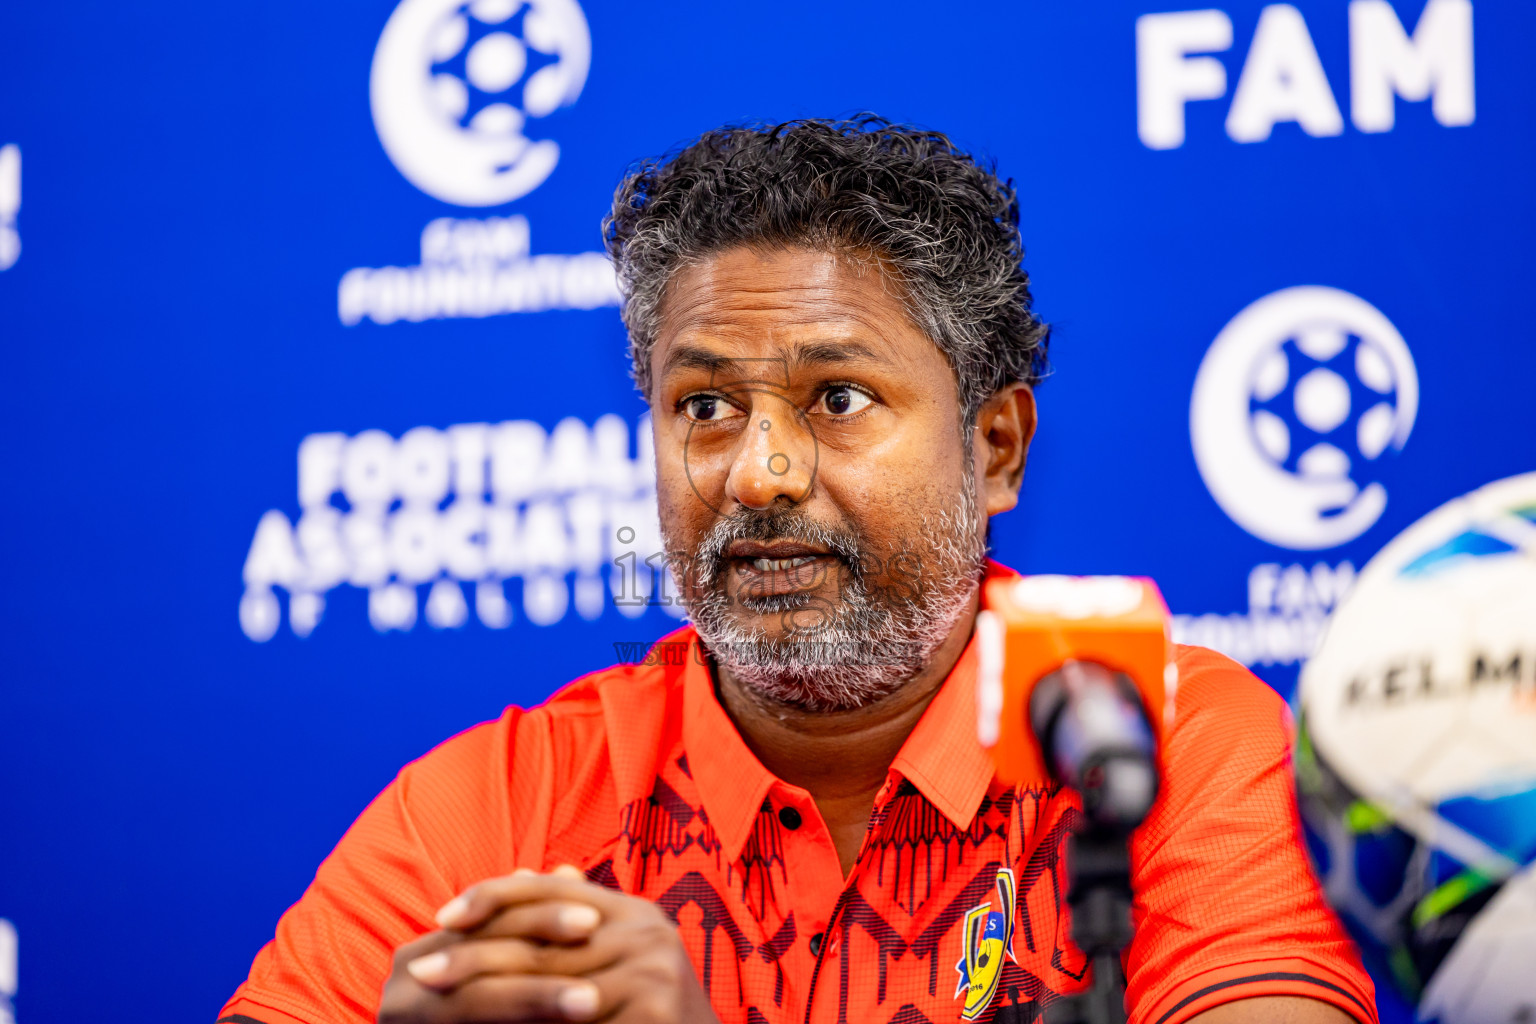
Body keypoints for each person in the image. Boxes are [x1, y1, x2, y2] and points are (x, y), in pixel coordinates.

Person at [219, 117, 1377, 1024]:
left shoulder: (1160, 747)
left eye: (838, 398)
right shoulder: (496, 810)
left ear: (997, 446)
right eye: (705, 407)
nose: (759, 473)